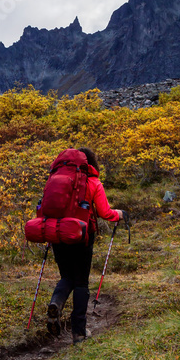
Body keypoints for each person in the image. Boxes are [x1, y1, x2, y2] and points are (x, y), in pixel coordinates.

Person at [46, 146, 125, 344]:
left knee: (67, 276)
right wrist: (121, 215)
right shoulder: (93, 182)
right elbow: (105, 213)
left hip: (57, 232)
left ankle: (56, 302)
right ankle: (79, 332)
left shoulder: (56, 178)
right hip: (81, 236)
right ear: (91, 163)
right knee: (81, 282)